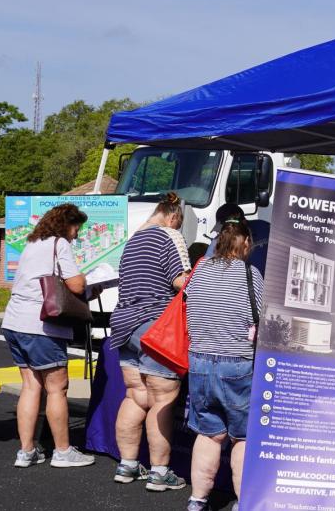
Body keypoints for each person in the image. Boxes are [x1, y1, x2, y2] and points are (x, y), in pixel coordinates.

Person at [1, 203, 97, 469]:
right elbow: (75, 284)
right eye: (76, 227)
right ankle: (63, 451)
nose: (77, 234)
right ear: (66, 224)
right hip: (41, 325)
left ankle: (26, 450)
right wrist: (90, 282)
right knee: (57, 388)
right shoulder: (59, 244)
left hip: (14, 321)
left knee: (31, 386)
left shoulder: (32, 244)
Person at [108, 192, 189, 492]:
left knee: (135, 396)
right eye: (179, 223)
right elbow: (181, 281)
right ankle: (159, 472)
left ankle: (127, 465)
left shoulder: (132, 241)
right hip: (157, 327)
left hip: (124, 326)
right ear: (172, 216)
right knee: (162, 399)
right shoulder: (170, 236)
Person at [184, 220, 263, 511]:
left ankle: (197, 500)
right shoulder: (249, 273)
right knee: (241, 437)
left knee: (209, 434)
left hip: (200, 361)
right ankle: (244, 502)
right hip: (237, 364)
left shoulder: (200, 269)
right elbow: (262, 315)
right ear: (243, 244)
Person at [202, 203, 270, 275]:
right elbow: (207, 265)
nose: (223, 234)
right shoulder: (218, 240)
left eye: (228, 229)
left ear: (244, 222)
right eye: (224, 231)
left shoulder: (266, 229)